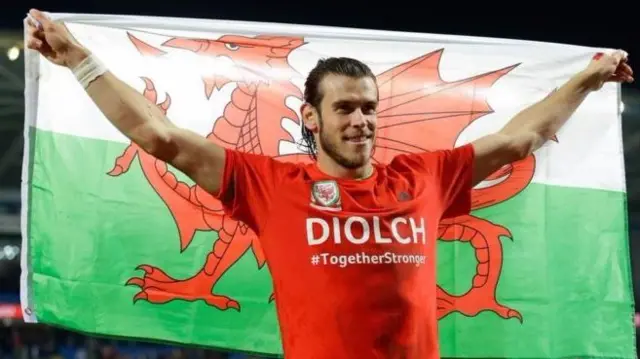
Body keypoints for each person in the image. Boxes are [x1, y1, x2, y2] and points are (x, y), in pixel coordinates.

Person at [25, 8, 633, 359]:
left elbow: (518, 140)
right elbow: (161, 137)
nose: (361, 119)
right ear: (310, 117)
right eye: (344, 108)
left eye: (368, 107)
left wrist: (587, 79)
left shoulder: (424, 176)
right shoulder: (269, 183)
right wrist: (80, 59)